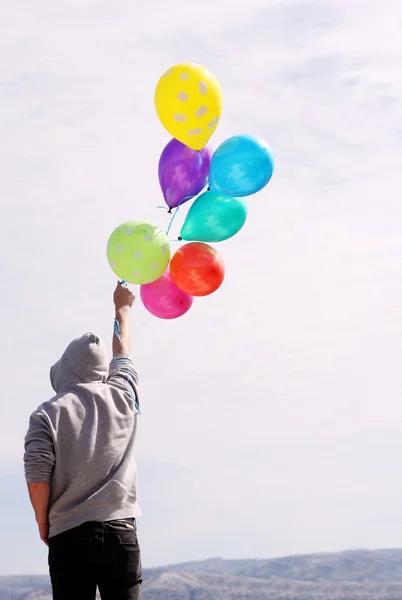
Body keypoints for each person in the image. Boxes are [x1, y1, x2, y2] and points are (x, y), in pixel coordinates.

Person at [23, 282, 142, 600]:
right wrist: (123, 309)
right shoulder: (123, 395)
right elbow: (122, 354)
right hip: (120, 531)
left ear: (63, 373)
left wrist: (43, 522)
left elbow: (37, 477)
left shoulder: (46, 414)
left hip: (69, 536)